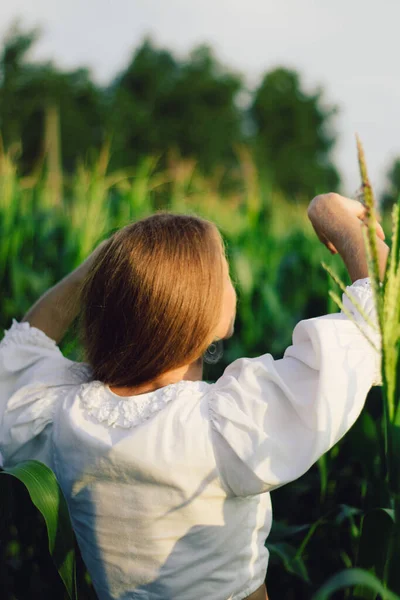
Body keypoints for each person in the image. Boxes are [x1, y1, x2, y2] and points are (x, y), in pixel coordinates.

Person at [0, 193, 388, 600]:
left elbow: (19, 353)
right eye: (222, 269)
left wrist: (95, 270)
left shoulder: (64, 418)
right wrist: (336, 218)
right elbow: (376, 324)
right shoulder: (220, 431)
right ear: (198, 313)